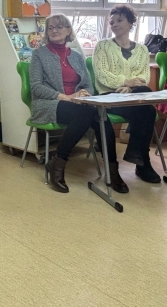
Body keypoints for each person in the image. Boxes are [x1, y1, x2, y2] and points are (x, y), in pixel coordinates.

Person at [29, 14, 127, 193]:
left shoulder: (76, 55)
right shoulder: (39, 54)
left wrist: (84, 95)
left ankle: (112, 169)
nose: (54, 30)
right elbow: (36, 88)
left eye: (59, 26)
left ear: (68, 30)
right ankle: (58, 162)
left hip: (77, 103)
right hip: (49, 103)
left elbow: (88, 84)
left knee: (100, 114)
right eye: (50, 27)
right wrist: (66, 97)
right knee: (89, 113)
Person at [93, 4, 161, 184]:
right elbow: (102, 74)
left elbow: (144, 76)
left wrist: (130, 88)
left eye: (119, 20)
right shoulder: (102, 46)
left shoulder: (142, 49)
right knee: (147, 109)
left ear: (130, 23)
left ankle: (139, 158)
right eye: (112, 22)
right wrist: (125, 82)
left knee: (145, 102)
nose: (114, 24)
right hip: (109, 96)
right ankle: (142, 162)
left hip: (133, 95)